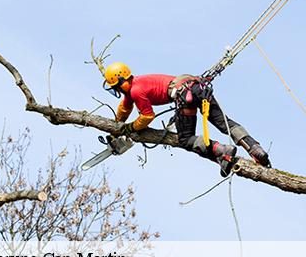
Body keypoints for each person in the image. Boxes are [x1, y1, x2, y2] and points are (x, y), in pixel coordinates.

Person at [103, 62, 271, 176]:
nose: (118, 90)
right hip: (196, 88)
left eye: (117, 86)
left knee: (186, 139)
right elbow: (124, 108)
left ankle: (222, 152)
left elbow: (147, 116)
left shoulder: (135, 90)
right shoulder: (138, 84)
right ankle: (255, 148)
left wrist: (129, 128)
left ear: (122, 80)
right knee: (223, 123)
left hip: (185, 97)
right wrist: (116, 127)